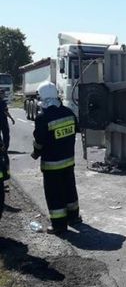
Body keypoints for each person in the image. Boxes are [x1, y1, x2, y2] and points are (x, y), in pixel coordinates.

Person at [31, 82, 81, 234]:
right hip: (69, 160)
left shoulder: (42, 118)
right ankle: (73, 217)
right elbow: (75, 130)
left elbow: (39, 141)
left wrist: (36, 152)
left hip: (52, 164)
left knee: (55, 194)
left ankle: (59, 225)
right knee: (69, 189)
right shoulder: (68, 112)